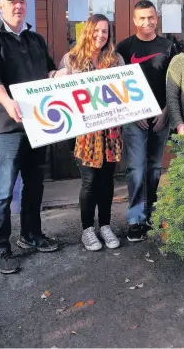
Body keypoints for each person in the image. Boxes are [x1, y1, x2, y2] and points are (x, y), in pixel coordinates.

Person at [0, 0, 66, 274]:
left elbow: (48, 71)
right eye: (11, 2)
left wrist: (62, 75)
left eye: (21, 1)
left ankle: (31, 235)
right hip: (6, 125)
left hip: (38, 124)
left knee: (34, 186)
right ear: (1, 6)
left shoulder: (35, 39)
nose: (18, 6)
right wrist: (7, 101)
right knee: (2, 191)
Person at [58, 14, 124, 251]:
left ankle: (105, 225)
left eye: (105, 31)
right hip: (85, 134)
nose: (100, 35)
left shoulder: (116, 59)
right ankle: (87, 230)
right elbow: (59, 92)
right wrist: (56, 77)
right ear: (87, 31)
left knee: (107, 180)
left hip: (110, 131)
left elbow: (124, 92)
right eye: (96, 30)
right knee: (89, 181)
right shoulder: (71, 60)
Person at [116, 0, 177, 242]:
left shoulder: (169, 46)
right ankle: (135, 219)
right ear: (134, 20)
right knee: (136, 169)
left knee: (153, 168)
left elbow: (174, 83)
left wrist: (166, 111)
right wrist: (133, 112)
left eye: (151, 17)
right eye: (142, 18)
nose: (147, 22)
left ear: (156, 18)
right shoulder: (124, 47)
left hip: (161, 117)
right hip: (134, 119)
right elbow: (117, 86)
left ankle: (151, 213)